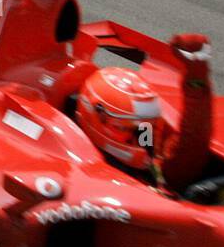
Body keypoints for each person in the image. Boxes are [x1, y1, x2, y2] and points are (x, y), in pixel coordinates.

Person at [75, 34, 213, 193]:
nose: (144, 137)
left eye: (147, 127)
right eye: (132, 130)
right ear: (99, 118)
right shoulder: (76, 171)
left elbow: (193, 141)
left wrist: (197, 73)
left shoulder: (158, 165)